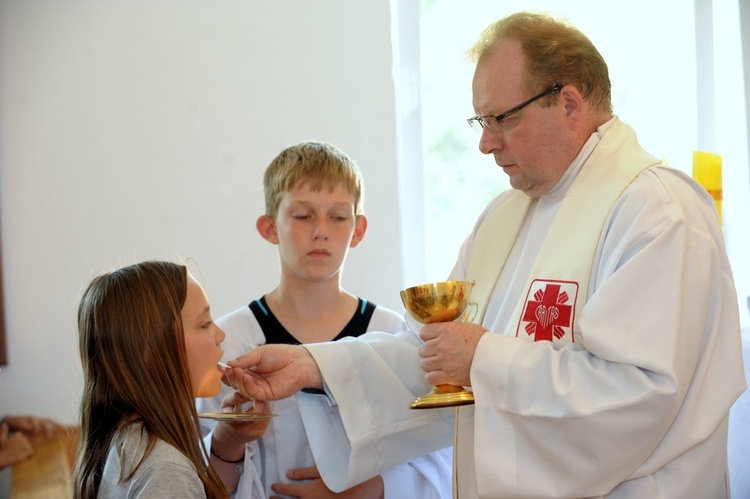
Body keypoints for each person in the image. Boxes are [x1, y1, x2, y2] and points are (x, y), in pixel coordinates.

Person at [223, 11, 747, 499]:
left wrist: (484, 360)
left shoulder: (656, 212)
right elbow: (435, 354)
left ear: (568, 103)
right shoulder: (505, 217)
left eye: (500, 118)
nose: (485, 144)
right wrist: (313, 365)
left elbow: (641, 397)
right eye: (481, 123)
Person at [197, 141, 452, 498]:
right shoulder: (232, 342)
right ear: (269, 228)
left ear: (358, 229)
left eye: (338, 216)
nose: (321, 231)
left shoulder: (392, 335)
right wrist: (229, 442)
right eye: (302, 216)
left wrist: (369, 490)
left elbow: (441, 459)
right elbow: (193, 475)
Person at [73, 261, 231, 499]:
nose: (221, 335)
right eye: (204, 323)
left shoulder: (129, 438)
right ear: (150, 350)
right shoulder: (167, 470)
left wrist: (233, 440)